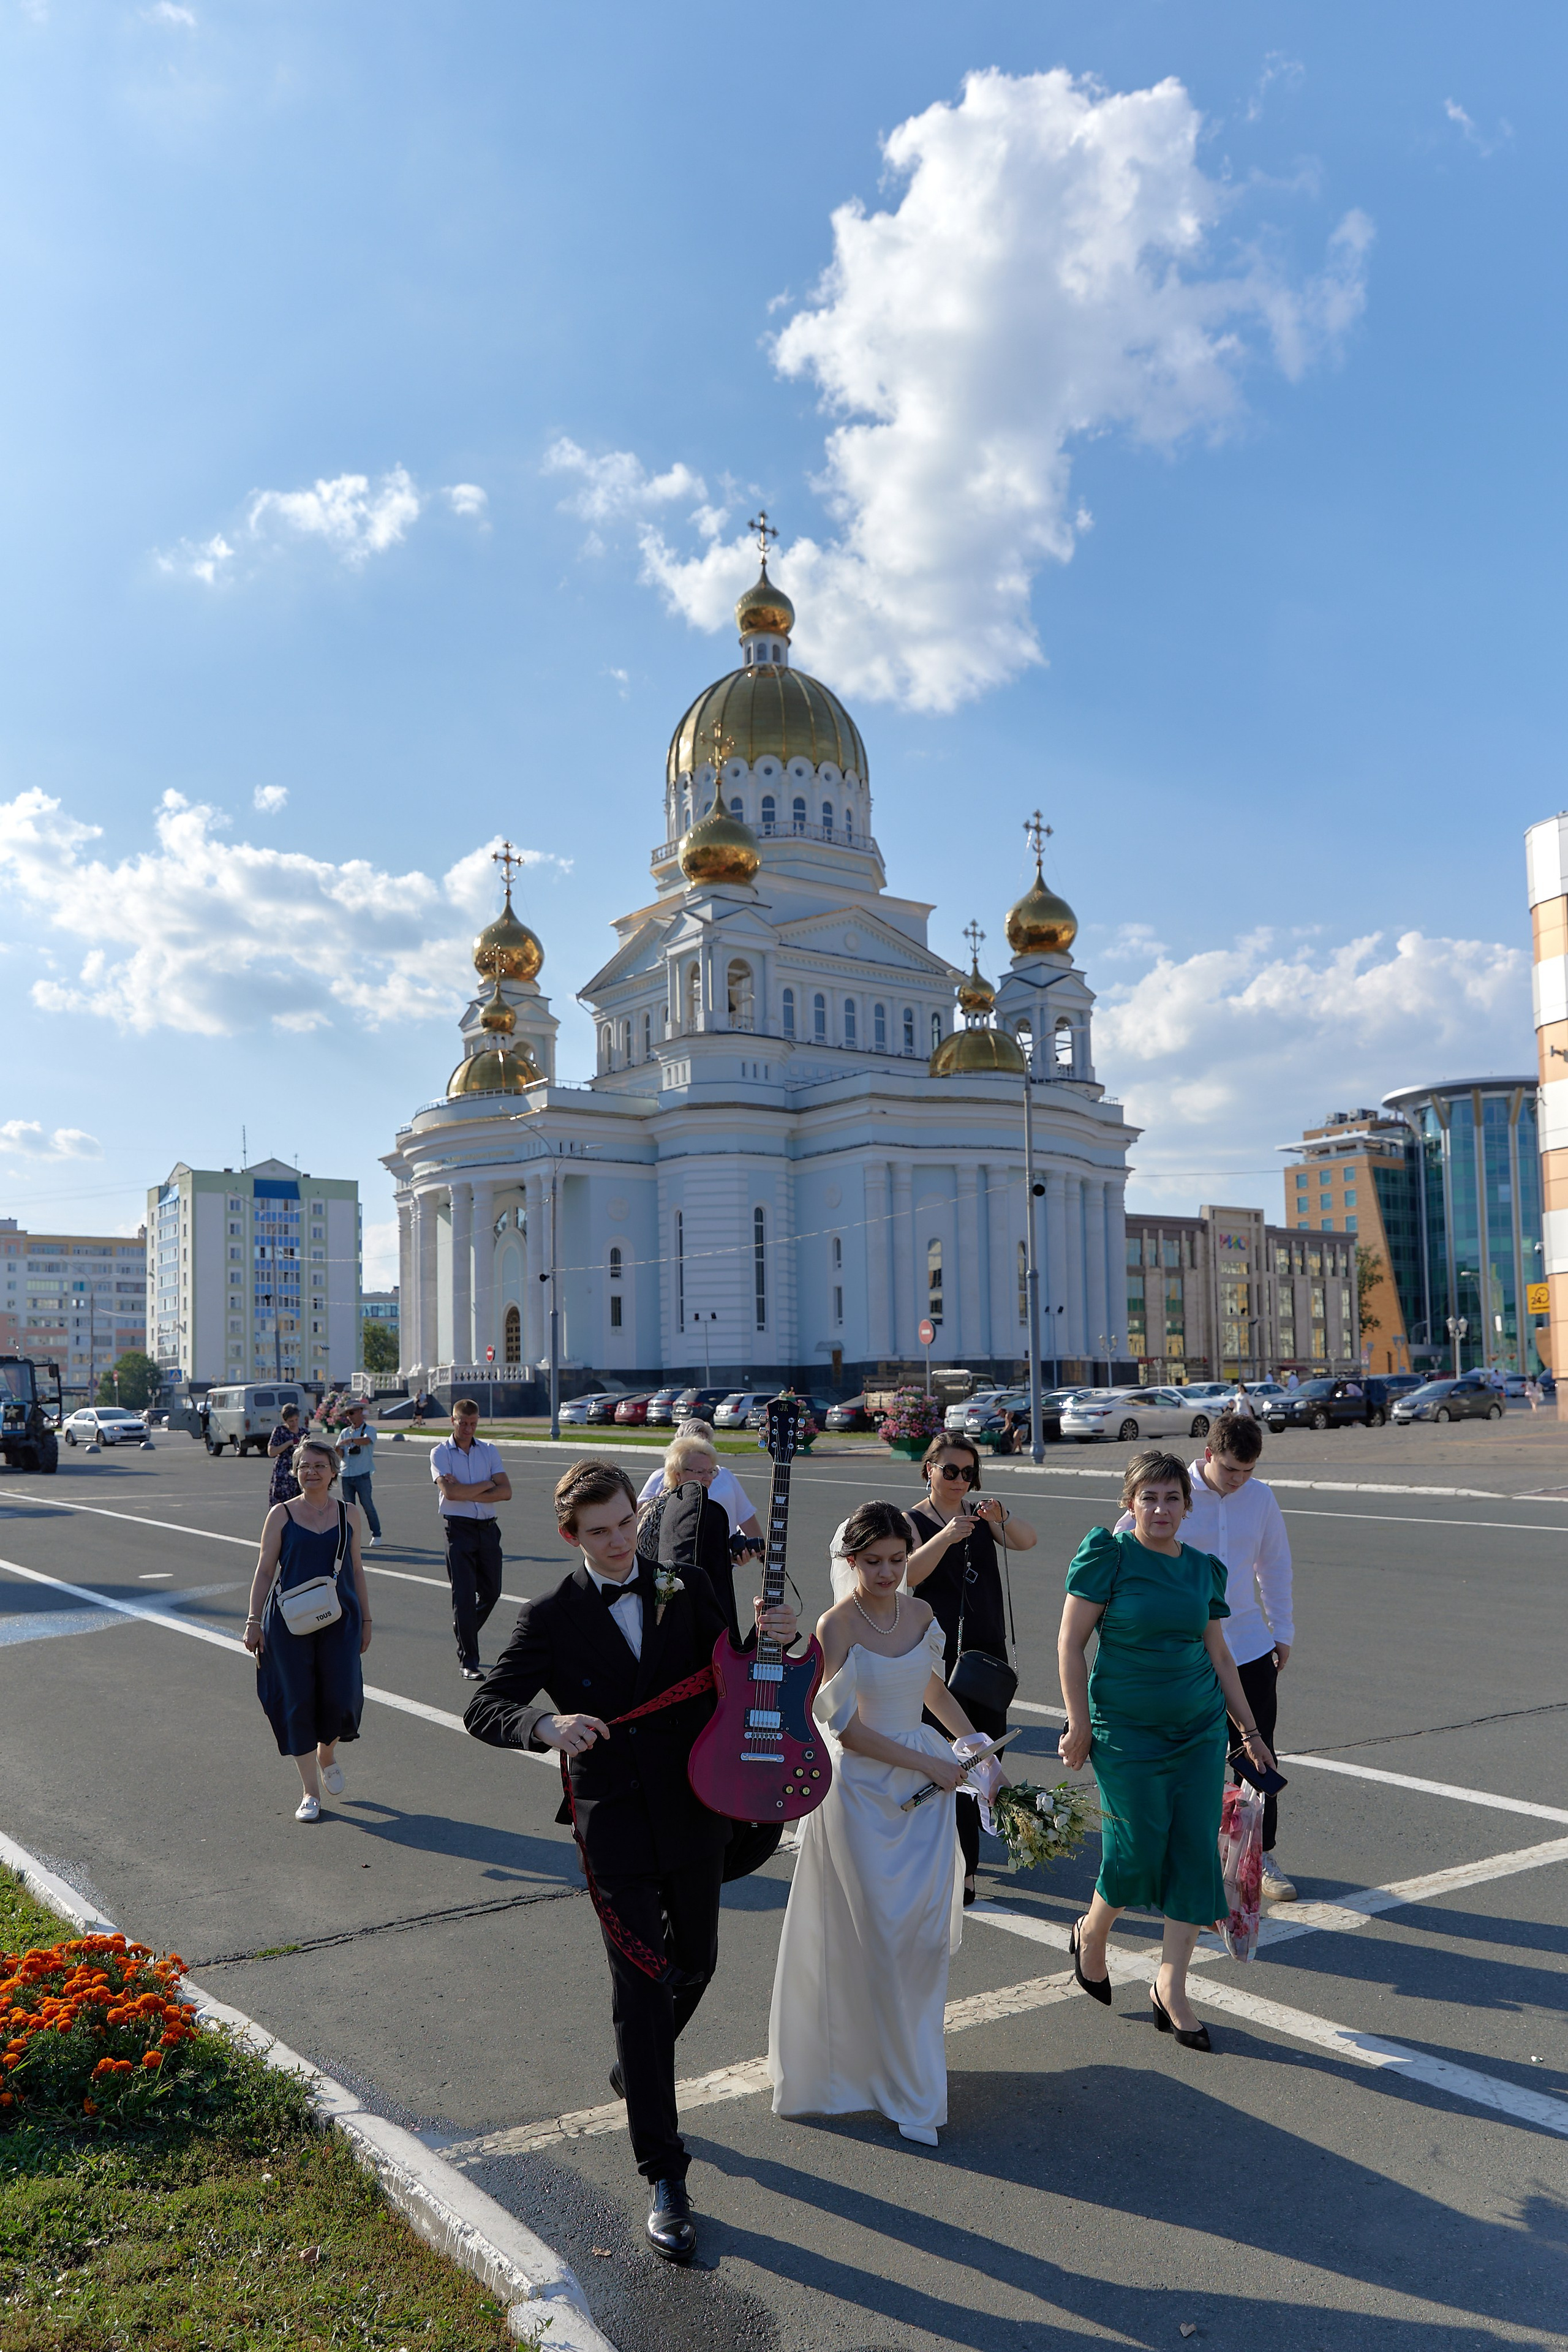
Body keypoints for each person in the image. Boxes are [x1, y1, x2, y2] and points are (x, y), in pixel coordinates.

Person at [464, 1461, 799, 2265]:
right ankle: (665, 2174)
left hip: (693, 1808)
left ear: (637, 1516)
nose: (617, 1545)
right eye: (599, 1533)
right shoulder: (550, 1615)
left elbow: (735, 1673)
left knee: (701, 1964)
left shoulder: (684, 1587)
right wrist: (544, 1728)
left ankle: (635, 2069)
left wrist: (773, 1641)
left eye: (625, 1526)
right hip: (611, 1822)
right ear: (570, 1536)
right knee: (641, 1988)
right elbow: (485, 1705)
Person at [769, 1502, 995, 2147]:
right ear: (850, 1561)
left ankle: (912, 2084)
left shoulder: (919, 1612)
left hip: (925, 1787)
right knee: (881, 1939)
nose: (888, 1572)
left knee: (919, 1941)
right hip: (863, 1795)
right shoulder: (835, 1624)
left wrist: (976, 1748)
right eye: (873, 1562)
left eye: (897, 1560)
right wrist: (928, 1759)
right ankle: (878, 2079)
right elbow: (840, 1725)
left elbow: (932, 1690)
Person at [1057, 1450, 1276, 2051]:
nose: (1160, 1508)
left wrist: (1250, 1733)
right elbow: (1071, 1644)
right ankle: (1092, 1935)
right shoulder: (1109, 1555)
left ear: (1186, 1505)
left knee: (1192, 1858)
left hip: (1199, 1732)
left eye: (1171, 1498)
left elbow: (1221, 1656)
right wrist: (1077, 1723)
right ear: (1130, 1504)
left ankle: (1171, 1986)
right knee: (1134, 1852)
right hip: (1124, 1732)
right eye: (1148, 1497)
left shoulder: (1203, 1569)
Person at [1115, 1410, 1297, 1900]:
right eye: (1230, 1470)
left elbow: (1274, 1564)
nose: (1239, 1481)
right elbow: (1124, 1544)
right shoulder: (1172, 1492)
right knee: (1192, 1756)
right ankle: (1190, 1856)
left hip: (1249, 1646)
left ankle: (1262, 1857)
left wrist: (1283, 1630)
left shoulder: (1260, 1498)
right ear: (1209, 1455)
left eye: (1248, 1472)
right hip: (1184, 1655)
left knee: (1257, 1754)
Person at [903, 1435, 1036, 1905]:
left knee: (984, 1758)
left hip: (986, 1654)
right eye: (951, 1470)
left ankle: (968, 1856)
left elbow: (1027, 1541)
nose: (961, 1480)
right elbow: (908, 1575)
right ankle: (962, 1867)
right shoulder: (912, 1521)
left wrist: (1001, 1517)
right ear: (929, 1471)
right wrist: (945, 1536)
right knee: (949, 1759)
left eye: (969, 1472)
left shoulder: (981, 1516)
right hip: (938, 1656)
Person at [243, 1438, 372, 1822]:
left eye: (319, 1465)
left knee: (342, 1697)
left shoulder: (350, 1513)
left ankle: (327, 1754)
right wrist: (253, 1620)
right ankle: (309, 1792)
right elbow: (265, 1569)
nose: (311, 1472)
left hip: (342, 1620)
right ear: (294, 1472)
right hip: (288, 1624)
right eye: (303, 1466)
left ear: (334, 1471)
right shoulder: (281, 1514)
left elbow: (358, 1570)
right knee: (297, 1700)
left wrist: (366, 1620)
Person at [432, 1396, 512, 1679]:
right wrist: (488, 1483)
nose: (468, 1429)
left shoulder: (488, 1450)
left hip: (488, 1529)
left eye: (473, 1423)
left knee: (491, 1592)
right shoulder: (440, 1453)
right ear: (453, 1421)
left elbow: (506, 1491)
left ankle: (464, 1628)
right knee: (463, 1596)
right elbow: (451, 1495)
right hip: (458, 1530)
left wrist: (469, 1489)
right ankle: (469, 1661)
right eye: (463, 1423)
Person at [338, 1399, 382, 1547]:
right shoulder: (344, 1432)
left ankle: (376, 1534)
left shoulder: (369, 1430)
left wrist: (351, 1441)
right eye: (347, 1414)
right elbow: (341, 1454)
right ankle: (349, 1537)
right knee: (348, 1509)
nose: (349, 1417)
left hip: (362, 1474)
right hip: (346, 1475)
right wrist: (337, 1449)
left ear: (360, 1412)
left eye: (351, 1413)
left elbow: (367, 1441)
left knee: (367, 1505)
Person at [266, 1403, 303, 1506]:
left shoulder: (304, 1433)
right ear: (285, 1420)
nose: (294, 1423)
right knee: (281, 1503)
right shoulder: (279, 1431)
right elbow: (271, 1452)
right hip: (283, 1472)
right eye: (291, 1421)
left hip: (299, 1469)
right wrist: (289, 1443)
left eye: (296, 1420)